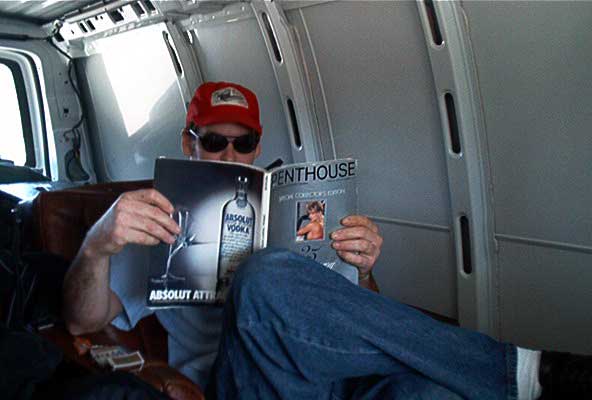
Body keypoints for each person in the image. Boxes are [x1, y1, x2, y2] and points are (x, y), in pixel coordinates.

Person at [63, 81, 591, 400]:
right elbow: (82, 321)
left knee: (436, 391)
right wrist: (98, 243)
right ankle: (522, 370)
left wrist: (364, 270)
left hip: (331, 378)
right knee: (262, 276)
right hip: (243, 382)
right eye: (215, 141)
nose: (229, 155)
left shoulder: (291, 204)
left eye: (244, 143)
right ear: (189, 142)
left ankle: (506, 376)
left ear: (257, 147)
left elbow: (363, 317)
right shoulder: (153, 221)